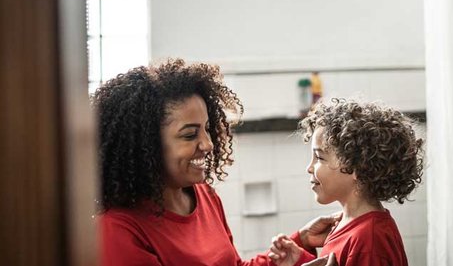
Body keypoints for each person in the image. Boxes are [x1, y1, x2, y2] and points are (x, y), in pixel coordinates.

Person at [94, 59, 339, 266]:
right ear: (144, 144)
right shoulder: (117, 229)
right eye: (190, 134)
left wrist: (299, 242)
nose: (208, 144)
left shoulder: (204, 195)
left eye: (207, 129)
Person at [268, 99, 424, 266]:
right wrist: (301, 260)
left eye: (319, 157)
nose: (309, 168)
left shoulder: (369, 239)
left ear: (356, 167)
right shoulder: (346, 224)